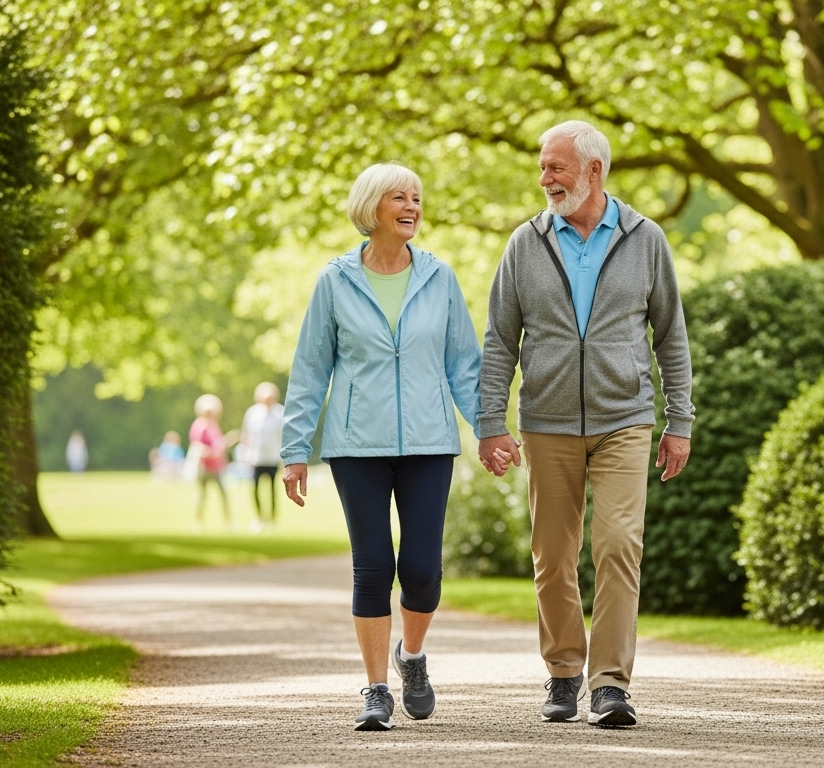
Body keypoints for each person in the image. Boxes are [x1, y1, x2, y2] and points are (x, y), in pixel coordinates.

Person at [477, 120, 694, 728]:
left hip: (624, 417)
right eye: (543, 168)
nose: (545, 179)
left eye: (556, 168)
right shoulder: (526, 242)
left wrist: (680, 420)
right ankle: (564, 670)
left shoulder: (645, 238)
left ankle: (609, 685)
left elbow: (670, 334)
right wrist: (491, 421)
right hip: (546, 422)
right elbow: (499, 339)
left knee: (620, 544)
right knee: (553, 553)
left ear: (594, 171)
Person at [280, 163, 490, 732]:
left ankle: (412, 658)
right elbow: (309, 370)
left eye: (417, 198)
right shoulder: (335, 281)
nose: (412, 207)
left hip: (428, 442)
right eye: (399, 197)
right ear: (373, 207)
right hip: (356, 445)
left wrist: (488, 427)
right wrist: (295, 449)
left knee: (421, 570)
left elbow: (464, 365)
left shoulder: (440, 278)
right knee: (373, 567)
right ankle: (375, 690)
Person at [241, 382, 285, 533]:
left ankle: (272, 518)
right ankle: (259, 518)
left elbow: (285, 436)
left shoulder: (280, 413)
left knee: (273, 490)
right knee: (255, 489)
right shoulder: (252, 413)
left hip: (273, 457)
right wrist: (245, 454)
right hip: (256, 458)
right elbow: (246, 435)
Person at [189, 394, 234, 530]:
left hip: (217, 467)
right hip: (204, 467)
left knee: (224, 495)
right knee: (202, 495)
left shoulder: (214, 425)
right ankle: (198, 522)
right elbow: (198, 446)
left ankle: (229, 523)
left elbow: (218, 444)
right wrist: (212, 452)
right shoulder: (199, 426)